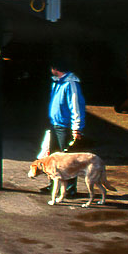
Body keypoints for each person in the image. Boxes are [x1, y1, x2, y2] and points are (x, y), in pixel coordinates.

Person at [45, 63, 87, 197]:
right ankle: (54, 185)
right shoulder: (57, 83)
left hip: (65, 127)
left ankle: (69, 188)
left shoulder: (70, 84)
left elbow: (76, 107)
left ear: (55, 69)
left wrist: (76, 128)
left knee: (68, 159)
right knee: (54, 158)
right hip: (55, 124)